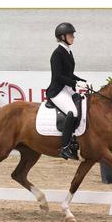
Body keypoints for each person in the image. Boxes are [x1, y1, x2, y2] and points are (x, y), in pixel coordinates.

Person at [46, 22, 89, 160]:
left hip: (67, 88)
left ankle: (75, 142)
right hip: (57, 91)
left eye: (73, 35)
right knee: (73, 112)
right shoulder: (57, 53)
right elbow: (58, 77)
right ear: (62, 36)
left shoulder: (68, 51)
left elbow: (69, 74)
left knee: (82, 105)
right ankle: (64, 147)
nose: (73, 37)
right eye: (71, 35)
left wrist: (82, 81)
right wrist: (75, 83)